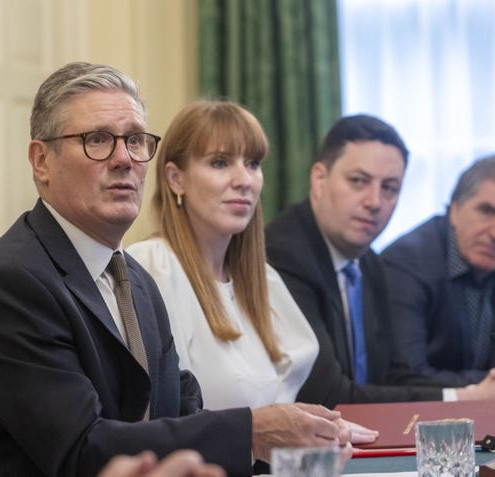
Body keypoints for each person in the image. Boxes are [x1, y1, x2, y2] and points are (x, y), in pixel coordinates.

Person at [0, 62, 351, 477]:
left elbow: (184, 415)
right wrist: (253, 432)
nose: (124, 160)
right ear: (41, 161)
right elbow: (82, 450)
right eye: (97, 140)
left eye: (135, 140)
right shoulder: (9, 282)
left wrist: (287, 446)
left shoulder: (137, 282)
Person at [127, 100, 376, 468]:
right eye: (219, 162)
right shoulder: (152, 267)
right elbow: (157, 425)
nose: (244, 180)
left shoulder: (264, 281)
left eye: (253, 163)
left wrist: (319, 440)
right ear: (175, 178)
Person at [265, 114, 495, 409]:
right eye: (358, 181)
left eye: (390, 188)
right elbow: (330, 396)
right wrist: (470, 394)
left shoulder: (367, 262)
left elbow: (384, 374)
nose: (374, 201)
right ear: (319, 179)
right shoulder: (285, 254)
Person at [381, 154, 495, 386]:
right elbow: (405, 376)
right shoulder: (406, 262)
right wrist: (494, 384)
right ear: (454, 210)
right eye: (487, 211)